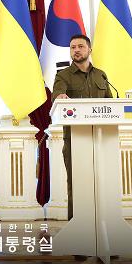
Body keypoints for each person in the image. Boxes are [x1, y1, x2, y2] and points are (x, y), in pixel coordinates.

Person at [52, 33, 113, 220]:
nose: (76, 50)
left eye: (80, 46)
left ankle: (103, 221)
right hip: (75, 139)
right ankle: (76, 225)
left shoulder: (101, 74)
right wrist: (60, 97)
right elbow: (58, 95)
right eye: (72, 47)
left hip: (102, 138)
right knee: (77, 182)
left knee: (103, 181)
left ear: (89, 50)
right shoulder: (63, 75)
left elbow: (110, 102)